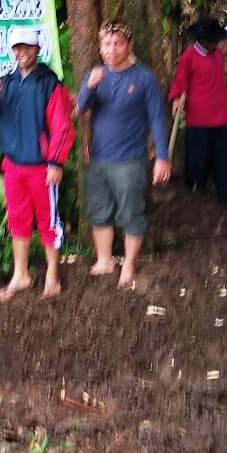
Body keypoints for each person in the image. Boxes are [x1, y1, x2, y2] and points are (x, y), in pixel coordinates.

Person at [0, 29, 75, 302]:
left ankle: (52, 273)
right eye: (16, 48)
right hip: (13, 166)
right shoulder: (7, 82)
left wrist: (55, 161)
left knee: (48, 221)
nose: (21, 53)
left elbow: (62, 125)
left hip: (42, 167)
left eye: (26, 47)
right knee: (18, 219)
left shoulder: (50, 83)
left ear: (36, 49)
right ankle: (21, 274)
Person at [76, 21, 171, 289]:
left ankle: (128, 264)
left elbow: (156, 118)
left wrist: (162, 157)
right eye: (106, 44)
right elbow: (80, 109)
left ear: (128, 45)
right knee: (100, 211)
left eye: (117, 43)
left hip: (130, 158)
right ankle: (104, 260)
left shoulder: (144, 78)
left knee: (131, 212)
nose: (111, 49)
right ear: (100, 46)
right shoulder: (95, 76)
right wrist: (89, 87)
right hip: (99, 158)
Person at [168, 17, 227, 203]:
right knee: (199, 155)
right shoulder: (189, 56)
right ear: (201, 40)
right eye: (211, 40)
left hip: (221, 114)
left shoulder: (218, 54)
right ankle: (196, 187)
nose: (215, 44)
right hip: (198, 116)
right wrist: (176, 98)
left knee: (225, 155)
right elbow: (180, 80)